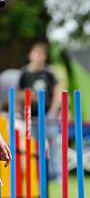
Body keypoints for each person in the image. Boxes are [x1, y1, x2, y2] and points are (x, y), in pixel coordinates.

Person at [18, 42, 60, 180]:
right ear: (30, 56)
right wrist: (28, 96)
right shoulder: (24, 73)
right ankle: (34, 175)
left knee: (53, 144)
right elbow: (18, 94)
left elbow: (56, 92)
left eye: (41, 54)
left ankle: (56, 175)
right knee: (31, 146)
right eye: (36, 54)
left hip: (48, 116)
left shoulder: (48, 73)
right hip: (31, 116)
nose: (39, 57)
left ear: (45, 57)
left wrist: (52, 111)